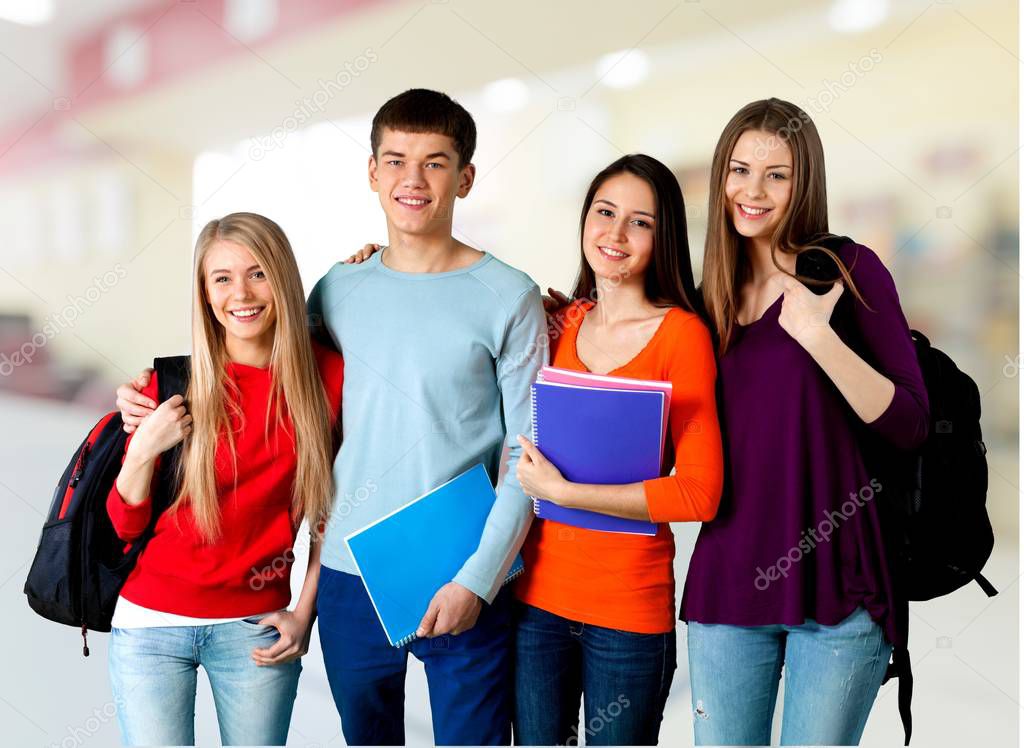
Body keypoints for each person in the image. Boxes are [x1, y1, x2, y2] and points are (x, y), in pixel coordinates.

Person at [681, 98, 929, 745]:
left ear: (805, 182)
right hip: (729, 584)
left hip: (838, 587)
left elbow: (909, 421)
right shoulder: (705, 295)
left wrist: (820, 339)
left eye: (777, 174)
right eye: (739, 169)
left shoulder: (847, 271)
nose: (753, 191)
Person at [310, 88, 546, 745]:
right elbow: (275, 390)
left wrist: (478, 577)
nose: (413, 179)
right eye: (396, 160)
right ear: (372, 172)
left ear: (465, 177)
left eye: (436, 163)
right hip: (349, 576)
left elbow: (527, 457)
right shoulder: (335, 289)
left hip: (463, 568)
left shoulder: (509, 295)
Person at [107, 212, 344, 746]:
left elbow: (334, 513)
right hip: (150, 625)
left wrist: (305, 613)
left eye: (258, 273)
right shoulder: (169, 385)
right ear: (205, 293)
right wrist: (143, 448)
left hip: (256, 627)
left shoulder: (328, 378)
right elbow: (123, 524)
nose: (241, 293)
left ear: (282, 280)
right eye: (222, 278)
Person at [511, 154, 722, 746]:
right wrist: (380, 258)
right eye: (605, 212)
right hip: (536, 603)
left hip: (627, 614)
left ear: (664, 237)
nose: (616, 233)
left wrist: (565, 494)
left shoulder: (683, 336)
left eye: (640, 222)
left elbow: (700, 492)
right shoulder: (558, 326)